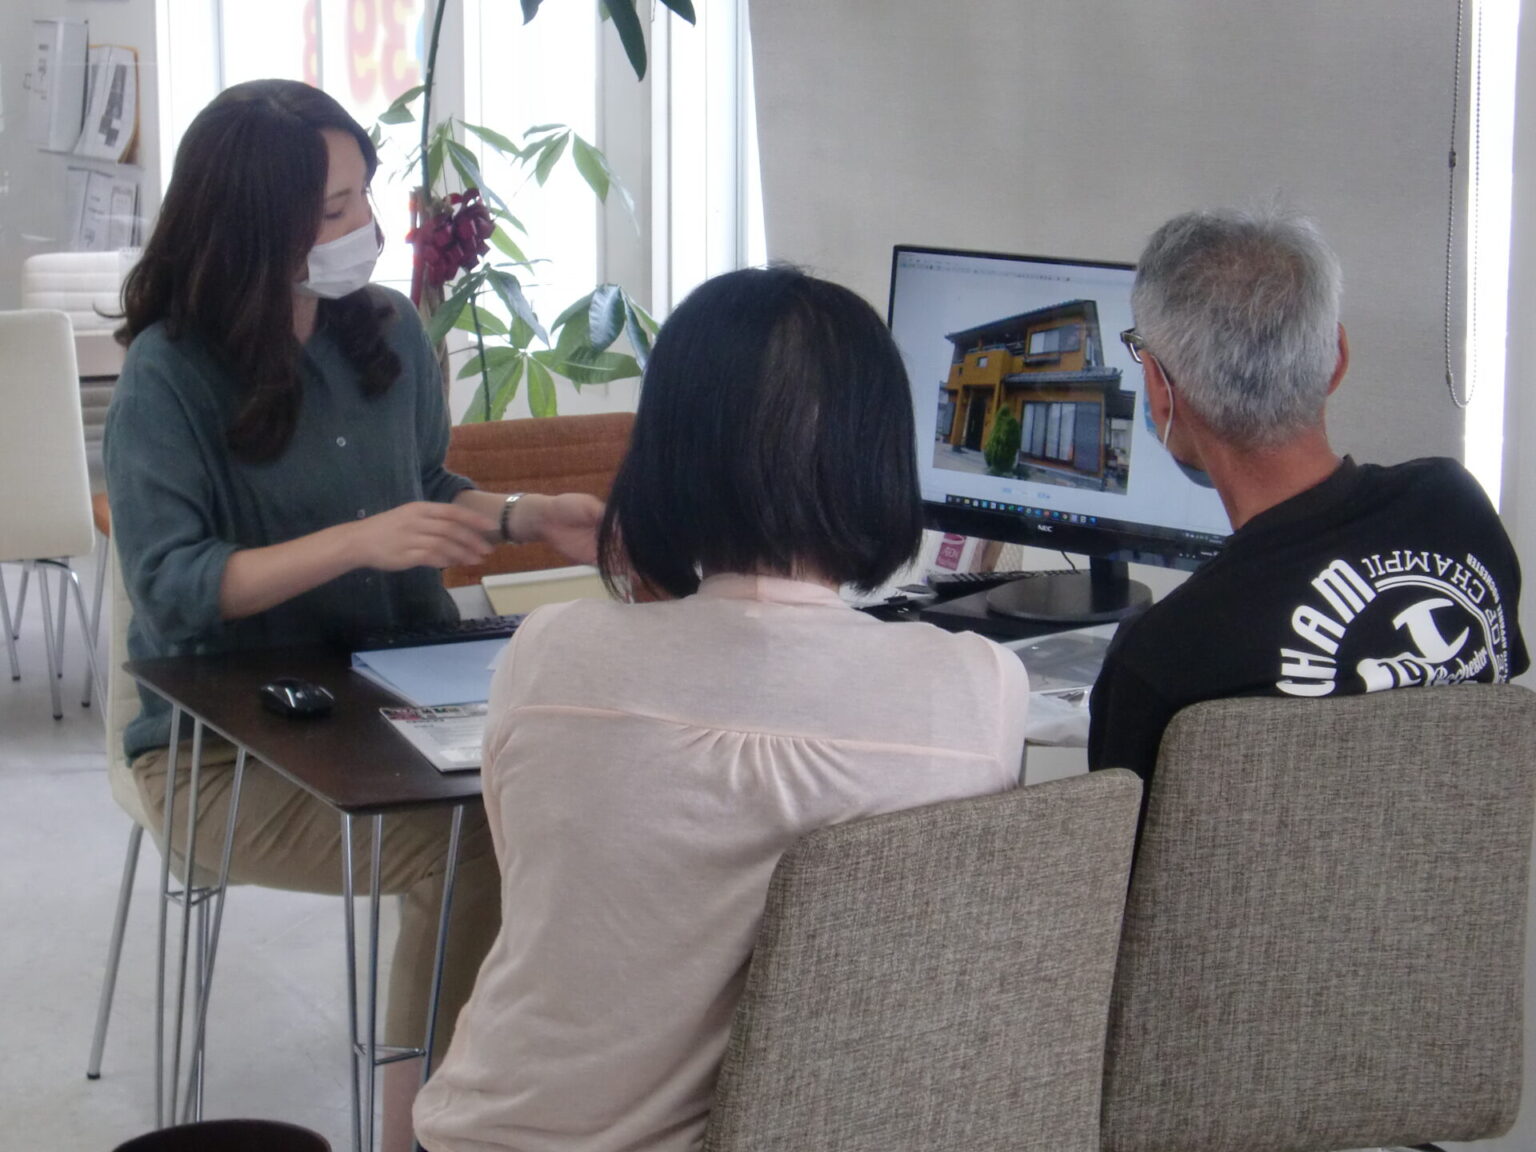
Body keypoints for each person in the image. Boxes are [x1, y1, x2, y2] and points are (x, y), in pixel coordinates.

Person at [412, 266, 1031, 1152]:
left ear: (667, 451)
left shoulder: (551, 651)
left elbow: (547, 895)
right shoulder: (977, 687)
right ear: (879, 455)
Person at [103, 78, 602, 1143]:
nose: (365, 227)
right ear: (258, 226)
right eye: (334, 209)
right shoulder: (169, 374)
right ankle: (420, 1128)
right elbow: (173, 584)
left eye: (363, 195)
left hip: (400, 702)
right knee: (473, 843)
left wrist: (524, 515)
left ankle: (516, 1098)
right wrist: (357, 541)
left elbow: (424, 488)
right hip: (221, 752)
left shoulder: (387, 330)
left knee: (569, 794)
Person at [1088, 207, 1528, 786]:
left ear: (1160, 390)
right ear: (1336, 359)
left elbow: (1119, 845)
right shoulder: (1458, 512)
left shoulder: (1160, 661)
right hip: (1458, 846)